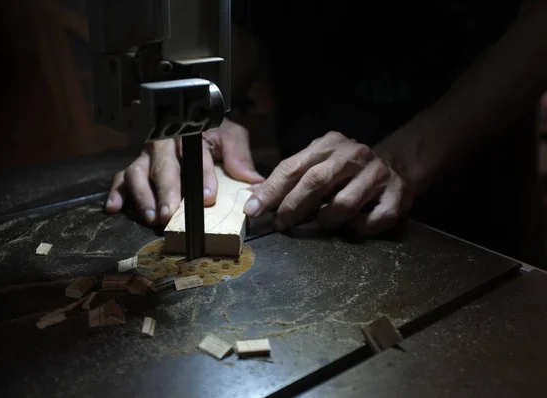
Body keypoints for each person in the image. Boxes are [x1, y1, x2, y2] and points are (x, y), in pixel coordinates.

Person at [106, 0, 547, 265]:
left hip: (465, 194)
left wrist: (402, 161)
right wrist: (199, 114)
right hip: (307, 186)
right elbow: (248, 21)